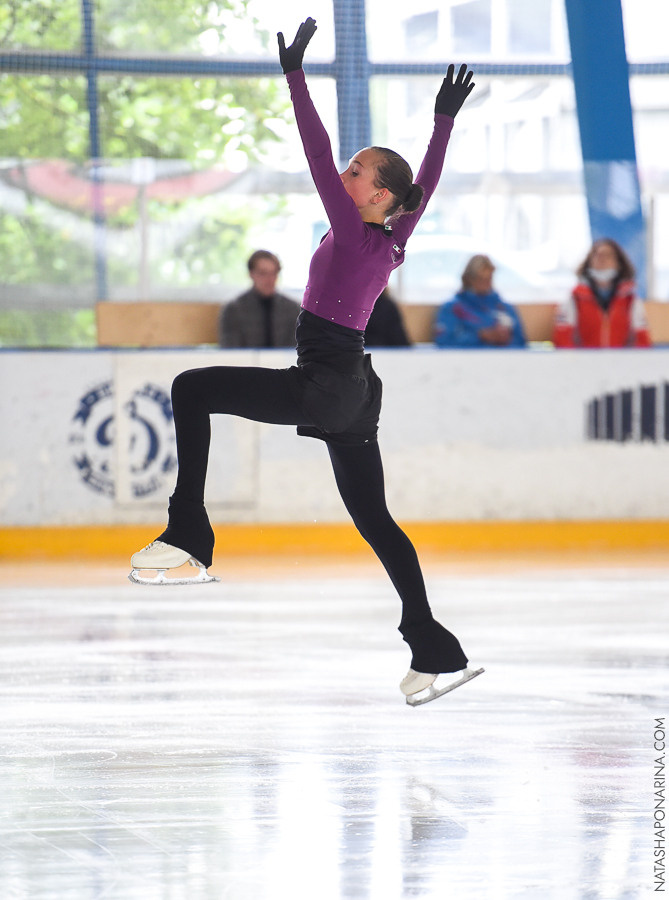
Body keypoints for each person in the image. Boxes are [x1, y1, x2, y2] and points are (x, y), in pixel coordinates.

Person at [130, 18, 483, 705]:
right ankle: (431, 645)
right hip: (351, 387)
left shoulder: (357, 231)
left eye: (359, 172)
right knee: (375, 519)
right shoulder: (391, 233)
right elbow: (424, 186)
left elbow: (316, 153)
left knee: (189, 387)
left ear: (377, 194)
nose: (344, 174)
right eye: (350, 168)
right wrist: (440, 124)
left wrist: (294, 77)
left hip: (324, 384)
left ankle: (189, 530)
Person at [553, 238, 651, 348]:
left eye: (608, 256)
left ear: (619, 263)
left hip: (621, 362)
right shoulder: (575, 298)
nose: (602, 260)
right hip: (583, 362)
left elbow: (641, 339)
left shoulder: (630, 299)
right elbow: (563, 338)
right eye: (597, 255)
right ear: (589, 261)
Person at [434, 254, 526, 348]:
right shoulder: (453, 308)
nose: (485, 284)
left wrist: (505, 339)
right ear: (468, 279)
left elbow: (521, 343)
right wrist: (480, 336)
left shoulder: (504, 309)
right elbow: (444, 342)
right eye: (480, 279)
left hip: (505, 360)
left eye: (488, 279)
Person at [219, 250, 300, 348]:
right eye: (263, 273)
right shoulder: (234, 309)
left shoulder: (292, 308)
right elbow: (231, 350)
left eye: (273, 273)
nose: (269, 279)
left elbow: (295, 348)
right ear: (251, 274)